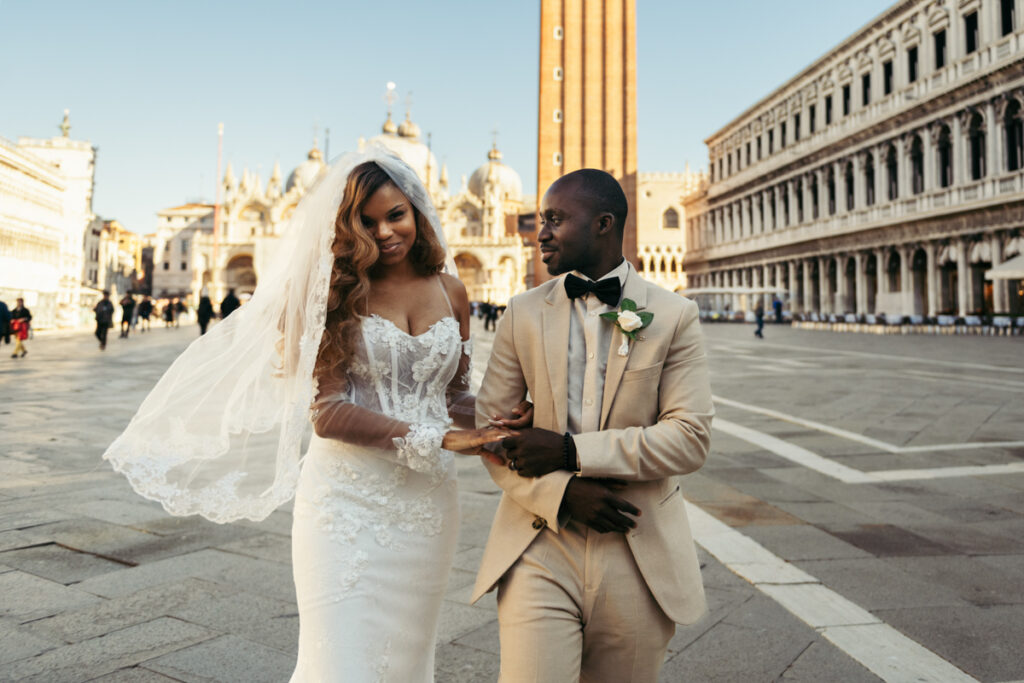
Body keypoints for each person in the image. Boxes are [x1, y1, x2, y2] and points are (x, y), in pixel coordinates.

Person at [103, 147, 526, 681]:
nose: (386, 232)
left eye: (396, 215)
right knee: (339, 661)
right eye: (366, 222)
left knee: (406, 659)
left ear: (417, 210)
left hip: (426, 508)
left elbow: (451, 394)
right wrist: (444, 440)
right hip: (346, 503)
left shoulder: (453, 289)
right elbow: (327, 413)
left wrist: (500, 421)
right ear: (346, 227)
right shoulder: (333, 289)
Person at [471, 169, 714, 683]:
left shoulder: (673, 315)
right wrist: (562, 493)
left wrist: (568, 452)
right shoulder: (521, 312)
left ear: (604, 224)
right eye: (542, 220)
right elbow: (489, 432)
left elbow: (690, 439)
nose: (541, 233)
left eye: (555, 220)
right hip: (539, 542)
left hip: (635, 541)